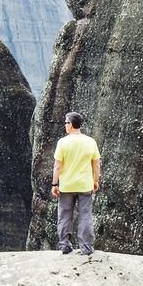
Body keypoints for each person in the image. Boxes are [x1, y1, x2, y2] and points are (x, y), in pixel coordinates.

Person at [51, 111, 101, 261]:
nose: (65, 125)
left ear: (71, 124)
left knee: (65, 215)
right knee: (85, 215)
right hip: (85, 185)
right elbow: (96, 164)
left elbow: (57, 166)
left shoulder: (63, 142)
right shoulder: (91, 141)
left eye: (66, 123)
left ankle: (65, 246)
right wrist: (95, 181)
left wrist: (54, 183)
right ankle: (86, 247)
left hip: (66, 186)